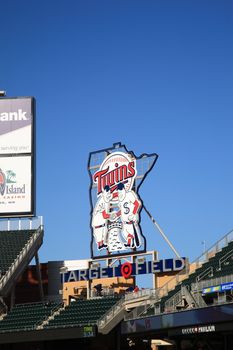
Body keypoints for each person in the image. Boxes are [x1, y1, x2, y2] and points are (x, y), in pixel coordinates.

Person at [117, 183, 142, 248]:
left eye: (120, 190)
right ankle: (130, 243)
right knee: (125, 233)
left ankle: (131, 243)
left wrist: (133, 214)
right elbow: (122, 210)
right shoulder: (120, 199)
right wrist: (116, 214)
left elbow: (137, 204)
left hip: (131, 220)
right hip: (124, 221)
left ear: (123, 189)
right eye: (118, 190)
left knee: (131, 232)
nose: (119, 192)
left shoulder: (129, 194)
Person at [92, 185, 114, 250]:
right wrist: (114, 215)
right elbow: (105, 215)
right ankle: (100, 244)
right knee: (99, 237)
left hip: (102, 224)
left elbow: (113, 196)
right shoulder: (102, 201)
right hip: (98, 225)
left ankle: (102, 244)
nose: (109, 193)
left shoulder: (104, 199)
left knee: (102, 236)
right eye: (108, 192)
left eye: (109, 192)